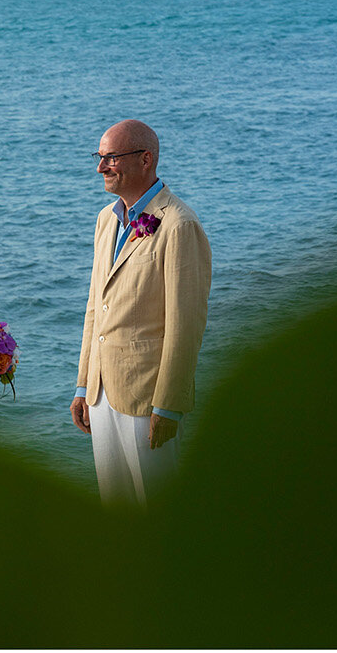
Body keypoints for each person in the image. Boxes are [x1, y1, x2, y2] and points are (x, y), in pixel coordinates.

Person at [70, 120, 209, 507]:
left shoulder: (179, 225)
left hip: (148, 397)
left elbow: (186, 323)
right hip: (100, 393)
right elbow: (94, 308)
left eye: (111, 158)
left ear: (146, 159)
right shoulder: (106, 220)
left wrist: (169, 403)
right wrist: (84, 385)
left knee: (158, 508)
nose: (101, 168)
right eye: (99, 158)